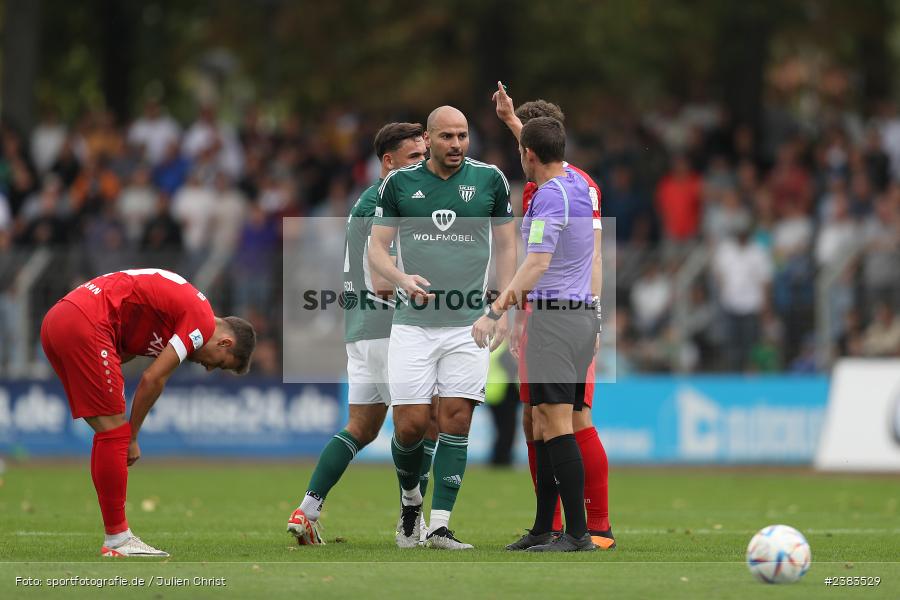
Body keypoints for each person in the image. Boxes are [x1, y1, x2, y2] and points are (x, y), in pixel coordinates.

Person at [369, 106, 517, 549]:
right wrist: (401, 279)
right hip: (413, 324)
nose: (456, 144)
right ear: (428, 140)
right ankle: (411, 502)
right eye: (447, 137)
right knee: (410, 425)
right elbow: (377, 249)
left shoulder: (490, 180)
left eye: (463, 136)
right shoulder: (400, 184)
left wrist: (503, 306)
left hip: (468, 324)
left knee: (456, 420)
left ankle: (439, 524)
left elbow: (509, 244)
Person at [286, 122, 435, 545]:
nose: (422, 164)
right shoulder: (392, 201)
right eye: (414, 158)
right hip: (392, 327)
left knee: (362, 427)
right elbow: (383, 276)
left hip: (360, 329)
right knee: (425, 425)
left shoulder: (364, 201)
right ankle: (412, 517)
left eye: (425, 156)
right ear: (388, 162)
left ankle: (308, 508)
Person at [40, 268, 257, 557]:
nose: (207, 368)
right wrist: (133, 436)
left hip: (60, 319)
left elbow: (124, 348)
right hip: (86, 322)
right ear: (225, 343)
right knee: (117, 434)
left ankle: (116, 535)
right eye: (218, 364)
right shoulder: (201, 322)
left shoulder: (177, 320)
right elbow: (152, 379)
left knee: (109, 434)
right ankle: (118, 538)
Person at [492, 83, 614, 550]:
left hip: (563, 314)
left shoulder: (568, 189)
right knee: (536, 421)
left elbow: (591, 260)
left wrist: (595, 313)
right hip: (539, 317)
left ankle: (594, 528)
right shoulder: (552, 186)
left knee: (570, 421)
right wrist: (511, 121)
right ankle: (548, 525)